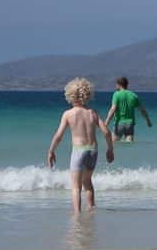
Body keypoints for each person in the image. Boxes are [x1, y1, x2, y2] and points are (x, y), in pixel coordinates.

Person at [47, 77, 112, 212]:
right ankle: (91, 208)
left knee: (76, 186)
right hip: (93, 151)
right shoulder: (92, 113)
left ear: (69, 95)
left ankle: (77, 214)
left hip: (78, 151)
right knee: (87, 183)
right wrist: (110, 149)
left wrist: (51, 151)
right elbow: (106, 132)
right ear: (87, 95)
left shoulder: (68, 114)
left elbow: (58, 136)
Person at [103, 76, 152, 146]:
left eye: (116, 84)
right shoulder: (133, 95)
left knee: (113, 144)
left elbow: (112, 109)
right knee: (129, 145)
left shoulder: (116, 94)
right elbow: (142, 110)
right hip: (130, 124)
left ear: (119, 84)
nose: (115, 86)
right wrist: (148, 121)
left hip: (119, 123)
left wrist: (106, 122)